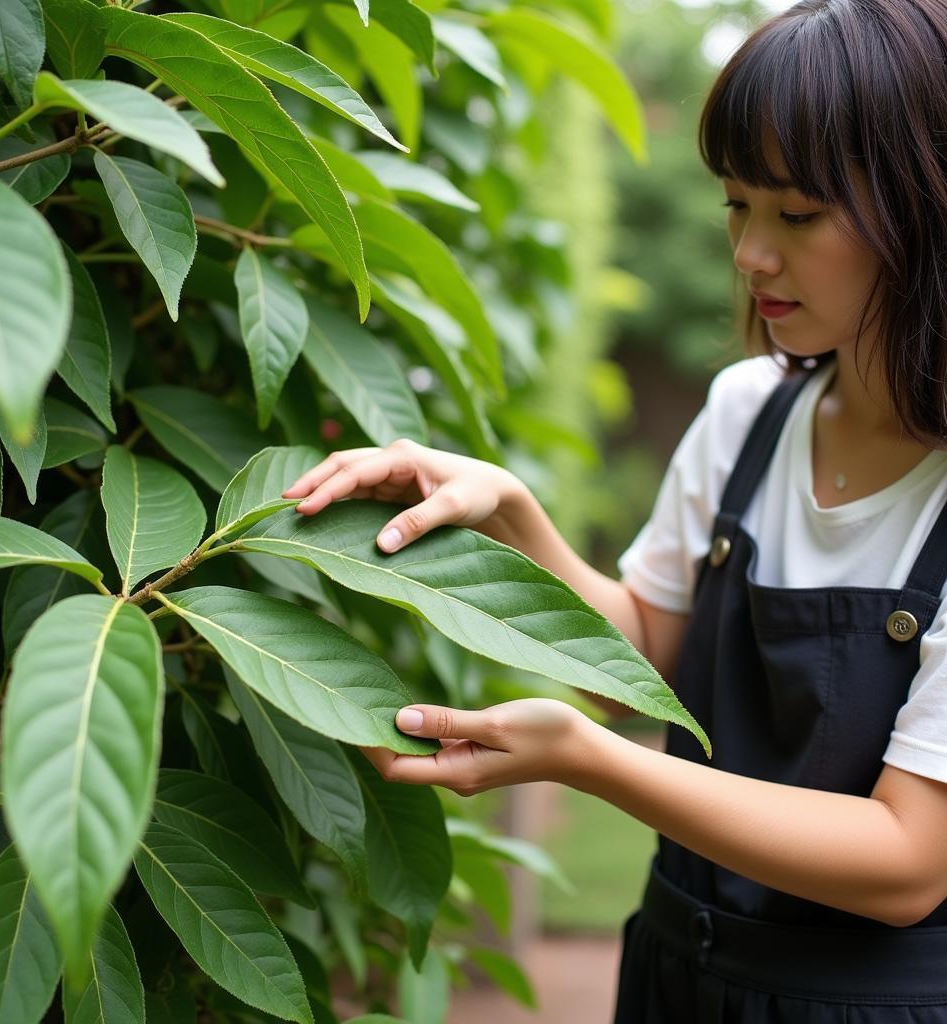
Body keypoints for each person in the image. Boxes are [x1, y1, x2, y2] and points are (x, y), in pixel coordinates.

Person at [282, 0, 947, 1017]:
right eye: (736, 204)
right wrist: (510, 514)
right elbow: (636, 668)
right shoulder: (745, 414)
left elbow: (905, 862)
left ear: (924, 206)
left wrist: (589, 765)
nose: (749, 254)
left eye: (795, 214)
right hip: (674, 977)